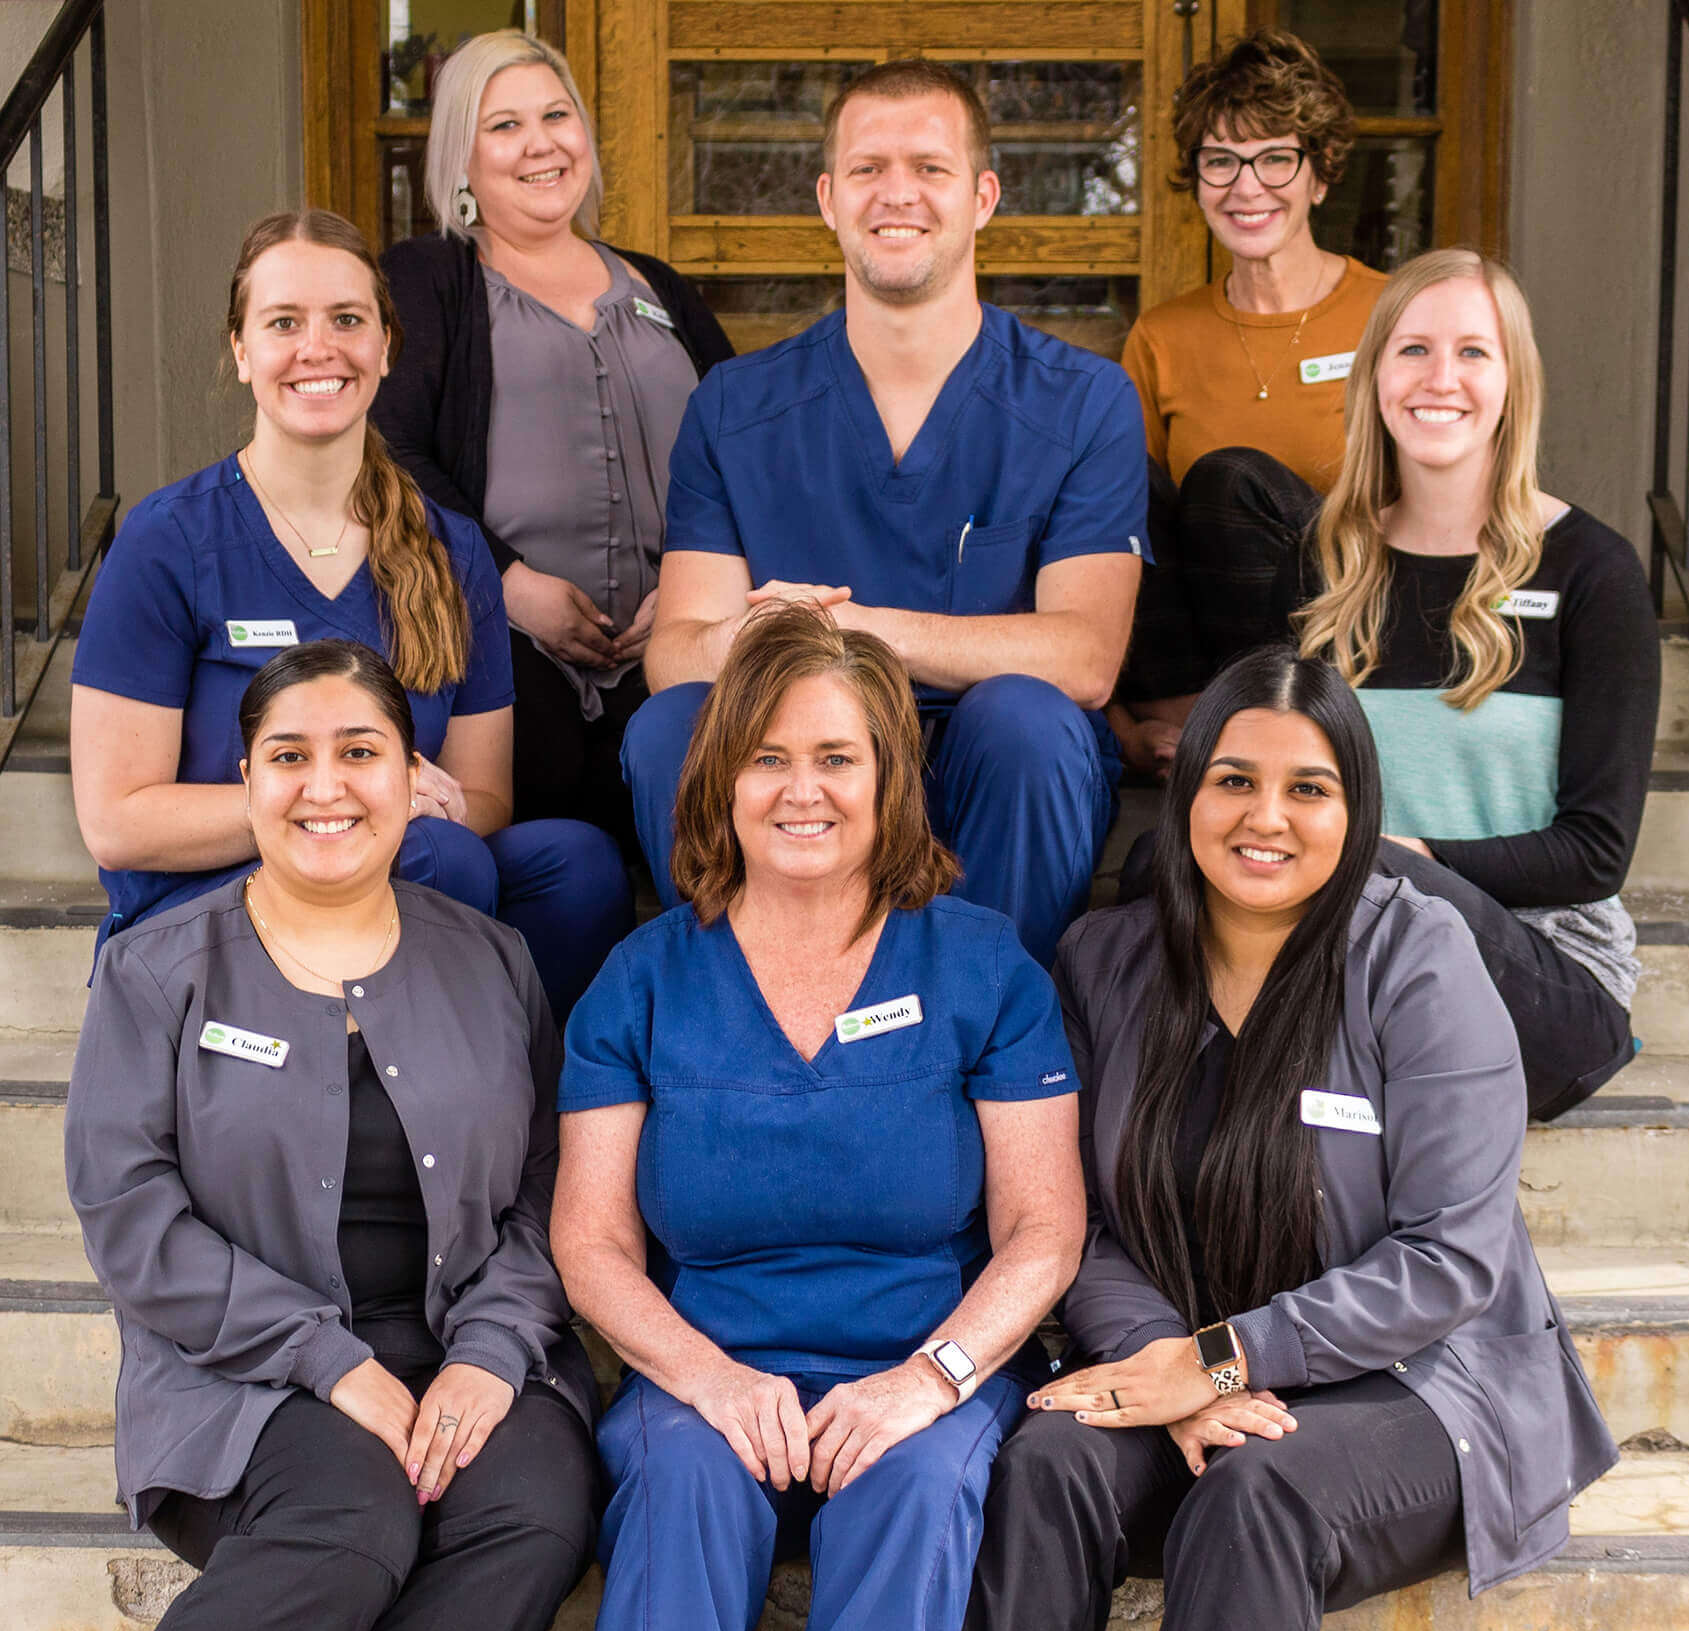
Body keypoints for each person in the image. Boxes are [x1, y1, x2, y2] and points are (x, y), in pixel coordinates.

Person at [947, 644, 1617, 1631]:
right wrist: (1161, 1363)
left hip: (1419, 1387)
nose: (1266, 817)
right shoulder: (1101, 962)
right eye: (1235, 781)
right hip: (1184, 1358)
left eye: (1308, 788)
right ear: (1185, 791)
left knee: (1258, 1492)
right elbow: (1081, 1223)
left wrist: (1219, 1362)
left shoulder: (1419, 958)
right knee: (1048, 1463)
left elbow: (1449, 1259)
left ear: (1356, 809)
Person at [554, 602, 1085, 1631]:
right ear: (721, 782)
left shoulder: (982, 966)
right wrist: (707, 1379)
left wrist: (925, 1382)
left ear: (891, 777)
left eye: (838, 758)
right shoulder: (641, 979)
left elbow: (1043, 1231)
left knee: (920, 1486)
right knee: (678, 1486)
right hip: (704, 1368)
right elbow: (591, 1243)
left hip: (922, 1359)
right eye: (769, 759)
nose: (803, 791)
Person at [67, 640, 600, 1631]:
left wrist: (492, 1351)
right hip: (242, 1367)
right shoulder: (154, 972)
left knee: (534, 1511)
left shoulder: (493, 961)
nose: (325, 786)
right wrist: (328, 1360)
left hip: (462, 1339)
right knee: (354, 1514)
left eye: (359, 751)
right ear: (245, 781)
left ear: (413, 780)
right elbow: (129, 1213)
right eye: (287, 755)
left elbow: (552, 1186)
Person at [622, 58, 1148, 962]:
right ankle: (750, 1017)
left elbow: (1087, 657)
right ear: (828, 198)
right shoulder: (735, 405)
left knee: (1029, 719)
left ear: (983, 196)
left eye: (929, 168)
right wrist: (749, 638)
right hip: (799, 759)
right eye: (868, 169)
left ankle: (991, 1032)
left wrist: (850, 629)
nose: (895, 193)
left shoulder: (1085, 400)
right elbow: (675, 653)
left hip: (988, 773)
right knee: (671, 725)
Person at [70, 209, 631, 1014]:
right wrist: (354, 801)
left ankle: (528, 1115)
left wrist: (408, 809)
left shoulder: (451, 548)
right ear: (241, 350)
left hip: (404, 868)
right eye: (283, 322)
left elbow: (485, 795)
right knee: (440, 858)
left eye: (346, 319)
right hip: (212, 901)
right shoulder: (169, 540)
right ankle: (406, 1096)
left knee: (573, 865)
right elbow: (120, 824)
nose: (318, 348)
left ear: (386, 345)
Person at [1281, 247, 1656, 1121]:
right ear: (1374, 374)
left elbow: (1595, 853)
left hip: (1542, 970)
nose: (1438, 377)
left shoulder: (1594, 572)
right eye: (1411, 349)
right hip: (1350, 940)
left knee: (1354, 862)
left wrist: (1420, 863)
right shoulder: (1324, 564)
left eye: (1473, 352)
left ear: (1514, 381)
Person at [374, 30, 733, 854]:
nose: (540, 143)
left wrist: (689, 590)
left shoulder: (658, 285)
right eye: (503, 126)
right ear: (460, 158)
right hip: (505, 650)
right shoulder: (430, 279)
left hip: (668, 650)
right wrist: (511, 585)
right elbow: (389, 450)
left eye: (556, 116)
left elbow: (742, 447)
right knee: (561, 859)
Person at [1111, 30, 1386, 776]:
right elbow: (1114, 535)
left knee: (1231, 483)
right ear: (1196, 180)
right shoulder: (1163, 337)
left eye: (1274, 159)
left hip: (1352, 629)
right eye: (1221, 161)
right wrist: (1117, 718)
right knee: (1114, 476)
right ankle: (1187, 718)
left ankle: (1259, 720)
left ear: (1320, 175)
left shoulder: (1392, 315)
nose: (1246, 185)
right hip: (1190, 659)